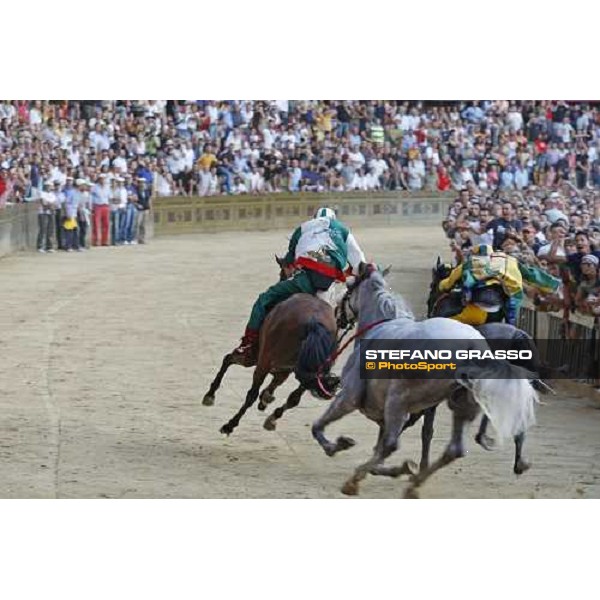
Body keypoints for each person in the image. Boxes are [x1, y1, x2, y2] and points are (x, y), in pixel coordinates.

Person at [232, 207, 366, 366]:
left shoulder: (304, 227)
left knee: (264, 299)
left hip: (306, 278)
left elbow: (289, 261)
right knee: (330, 320)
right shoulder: (344, 231)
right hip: (328, 283)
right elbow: (359, 264)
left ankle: (248, 344)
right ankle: (326, 362)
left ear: (314, 218)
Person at [438, 244, 524, 326]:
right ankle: (511, 325)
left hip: (476, 306)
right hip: (499, 306)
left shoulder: (469, 263)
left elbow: (448, 284)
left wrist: (441, 285)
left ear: (474, 254)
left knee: (444, 319)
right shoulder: (503, 263)